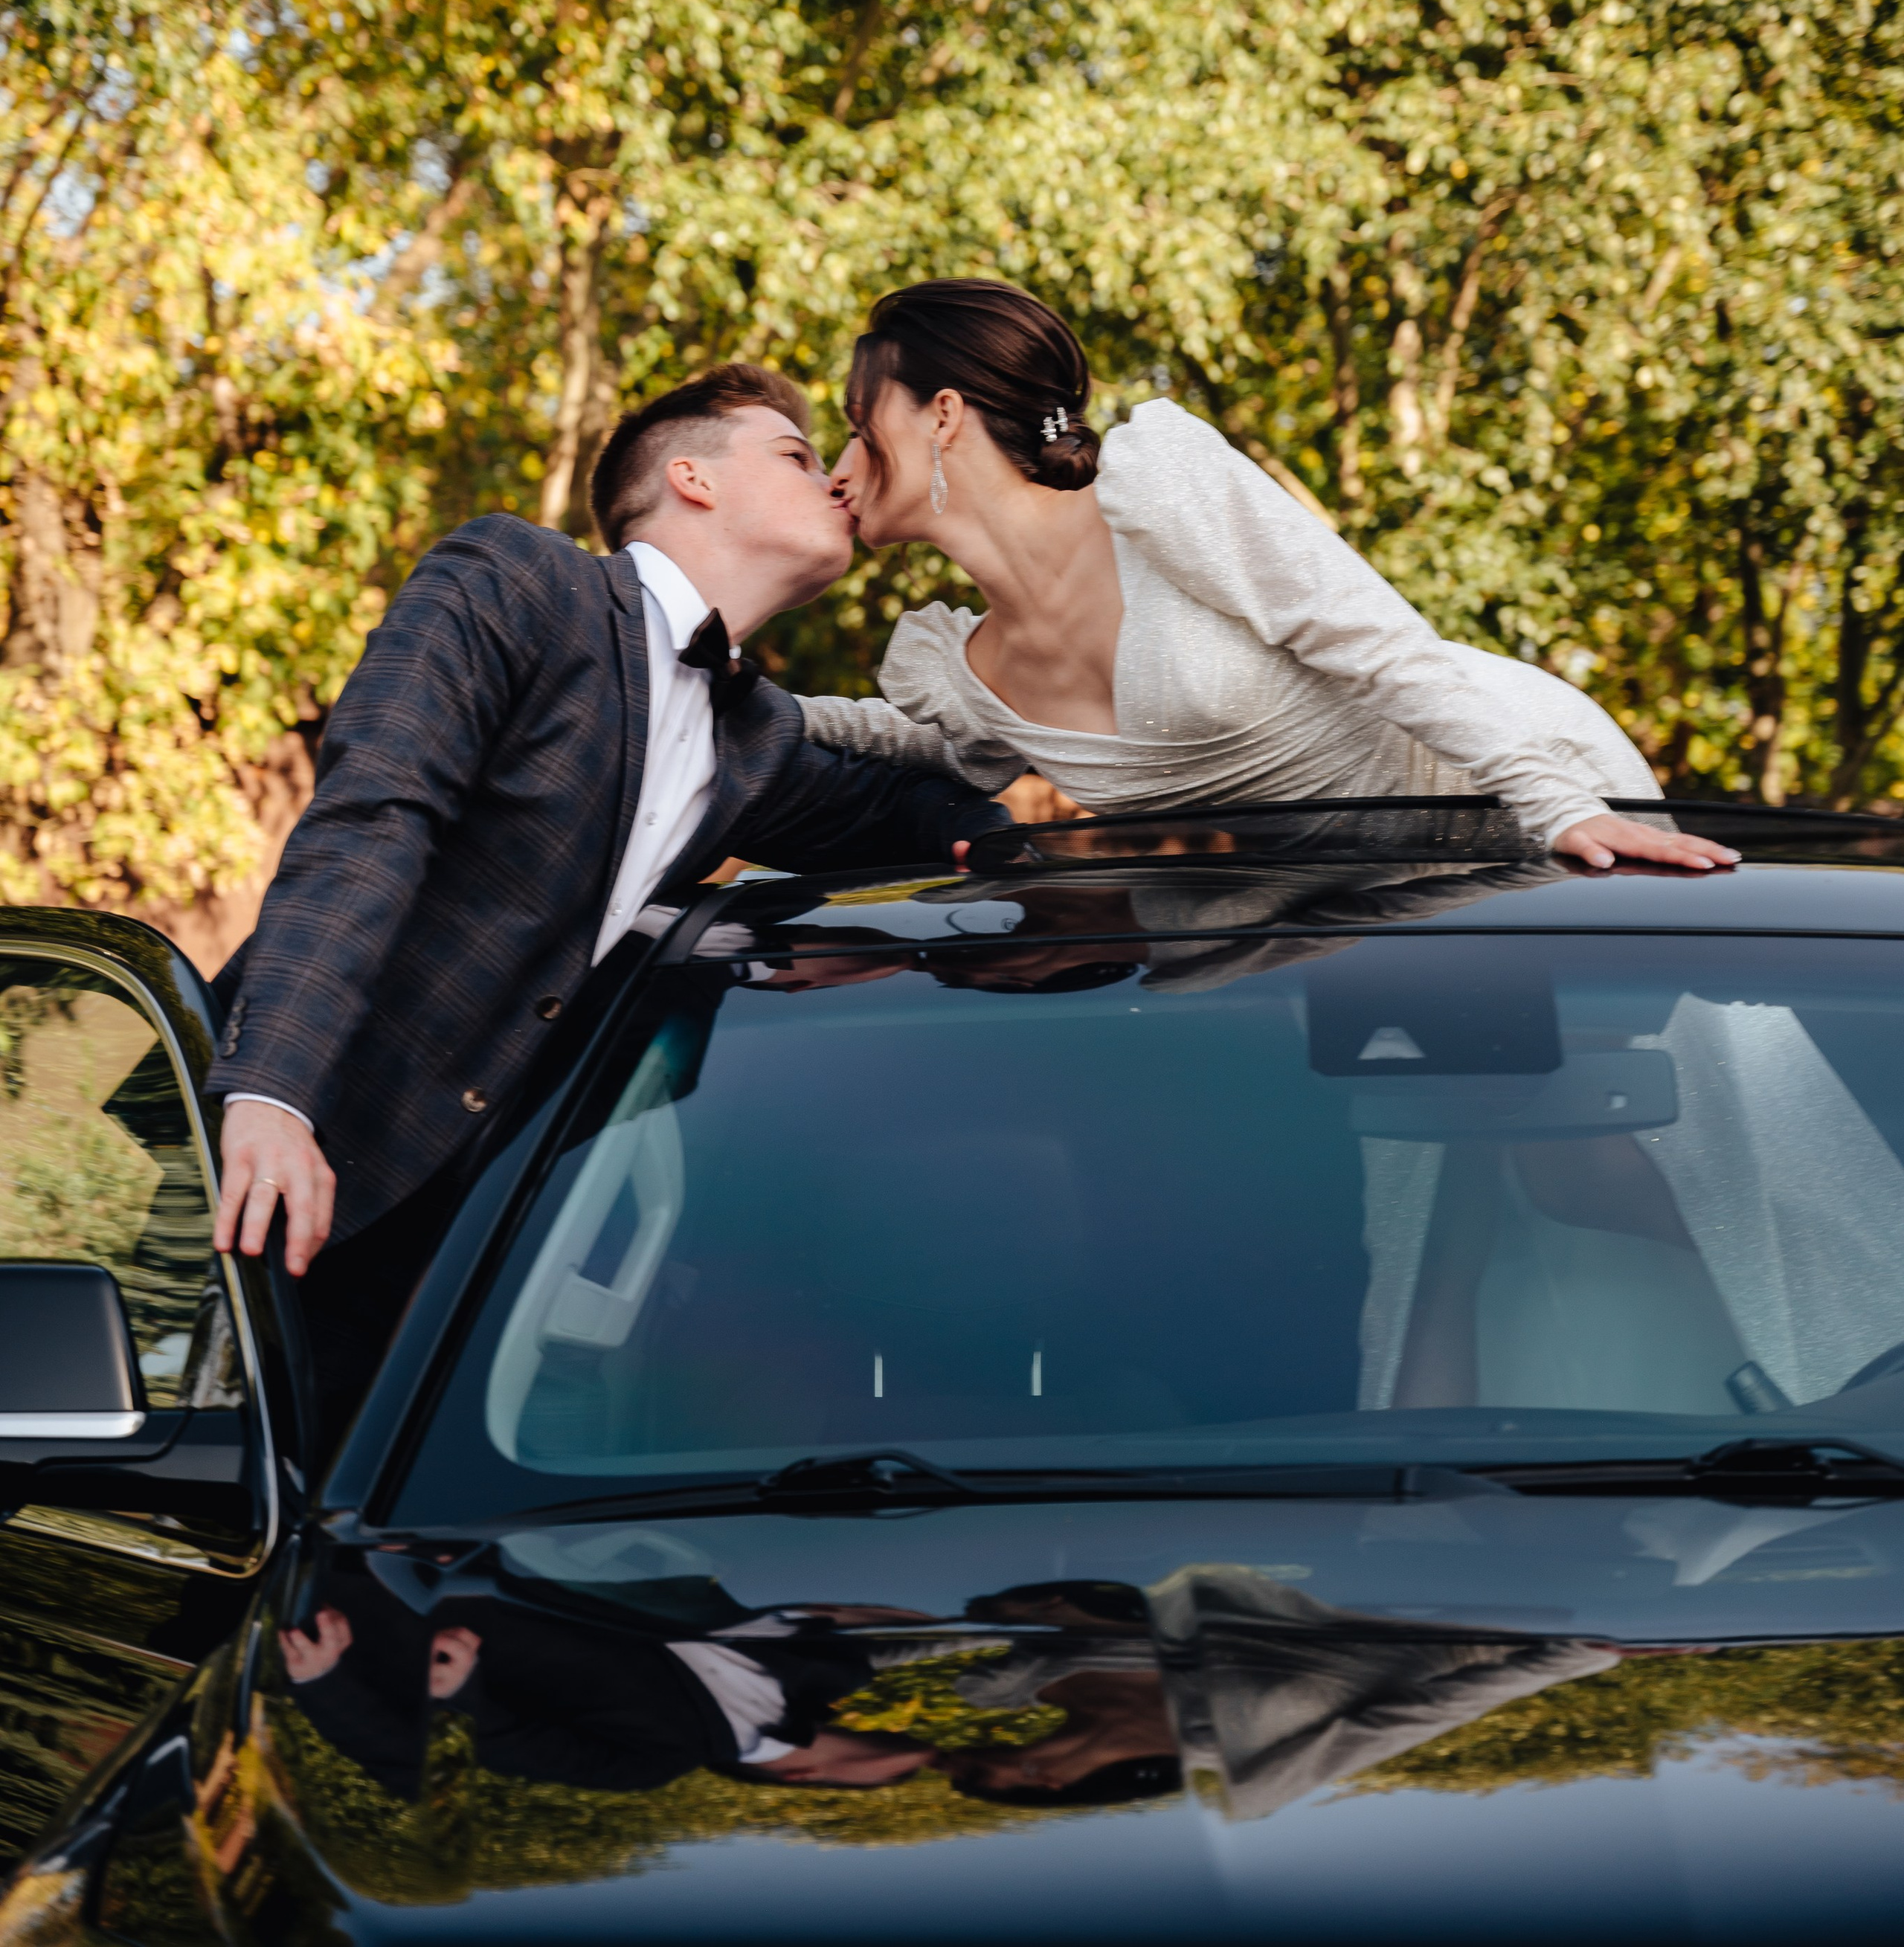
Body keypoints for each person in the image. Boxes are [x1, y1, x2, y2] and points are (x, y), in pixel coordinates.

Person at [207, 361, 1008, 1429]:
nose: (835, 482)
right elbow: (375, 818)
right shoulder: (516, 581)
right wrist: (270, 1096)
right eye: (798, 455)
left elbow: (917, 812)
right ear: (692, 478)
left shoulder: (755, 735)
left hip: (466, 1274)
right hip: (266, 1179)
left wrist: (1026, 862)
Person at [796, 280, 1737, 877]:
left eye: (853, 416)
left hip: (1527, 785)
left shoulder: (1158, 490)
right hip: (1357, 903)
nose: (836, 465)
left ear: (942, 414)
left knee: (1607, 1128)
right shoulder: (961, 667)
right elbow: (918, 745)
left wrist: (1561, 805)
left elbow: (1375, 640)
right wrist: (759, 702)